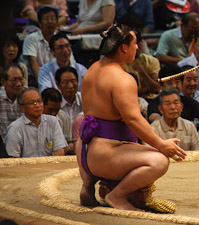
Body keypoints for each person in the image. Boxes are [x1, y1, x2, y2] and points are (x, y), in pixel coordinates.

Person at [75, 23, 186, 210]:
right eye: (135, 43)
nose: (138, 47)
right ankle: (117, 196)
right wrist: (161, 145)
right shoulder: (122, 79)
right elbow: (133, 119)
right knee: (159, 161)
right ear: (124, 47)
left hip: (84, 149)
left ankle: (87, 187)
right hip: (104, 155)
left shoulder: (92, 69)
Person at [6, 87, 67, 158]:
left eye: (39, 101)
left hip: (51, 167)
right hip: (26, 168)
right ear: (22, 108)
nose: (38, 105)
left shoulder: (52, 121)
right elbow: (13, 159)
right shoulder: (15, 128)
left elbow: (59, 151)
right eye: (32, 103)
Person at [124, 31, 161, 100]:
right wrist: (146, 89)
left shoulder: (152, 61)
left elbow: (156, 89)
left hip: (151, 100)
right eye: (134, 43)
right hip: (128, 99)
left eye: (139, 42)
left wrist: (140, 70)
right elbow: (124, 91)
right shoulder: (119, 63)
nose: (137, 47)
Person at [0, 64, 25, 156]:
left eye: (21, 79)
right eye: (14, 80)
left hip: (25, 148)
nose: (18, 84)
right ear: (3, 82)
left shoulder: (28, 97)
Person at [42, 87, 72, 152]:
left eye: (57, 110)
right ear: (42, 105)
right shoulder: (35, 119)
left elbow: (70, 142)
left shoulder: (63, 117)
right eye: (51, 110)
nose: (54, 113)